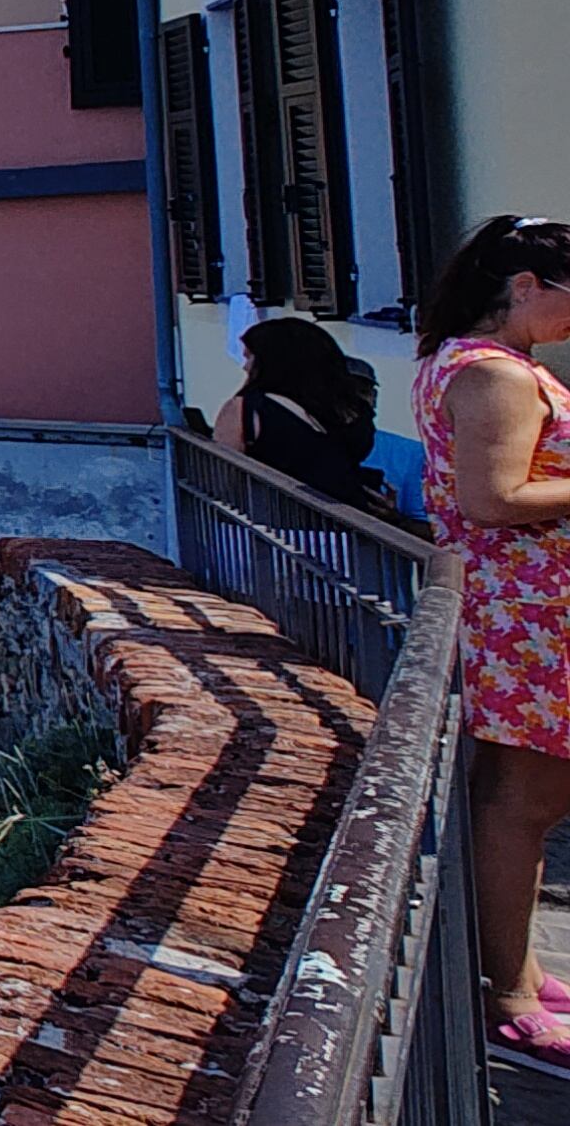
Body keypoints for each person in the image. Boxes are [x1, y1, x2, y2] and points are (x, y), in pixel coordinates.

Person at [409, 218, 570, 1070]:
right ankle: (507, 993)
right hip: (530, 613)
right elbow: (495, 496)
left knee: (514, 797)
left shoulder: (463, 365)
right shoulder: (498, 377)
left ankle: (519, 969)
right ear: (524, 288)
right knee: (525, 803)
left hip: (515, 607)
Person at [220, 314, 390, 508]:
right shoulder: (350, 411)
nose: (245, 366)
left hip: (275, 525)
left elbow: (222, 480)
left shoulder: (245, 410)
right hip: (346, 522)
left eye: (250, 356)